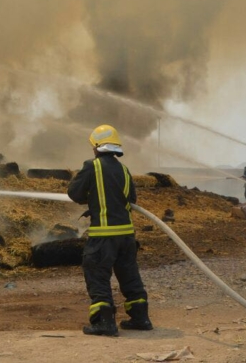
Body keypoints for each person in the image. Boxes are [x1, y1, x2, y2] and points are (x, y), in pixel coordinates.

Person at [67, 124, 152, 337]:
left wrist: (92, 200)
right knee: (129, 275)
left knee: (97, 275)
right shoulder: (124, 170)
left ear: (97, 147)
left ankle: (104, 322)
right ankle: (140, 318)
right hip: (126, 236)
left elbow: (74, 193)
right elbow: (131, 199)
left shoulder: (92, 166)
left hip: (103, 237)